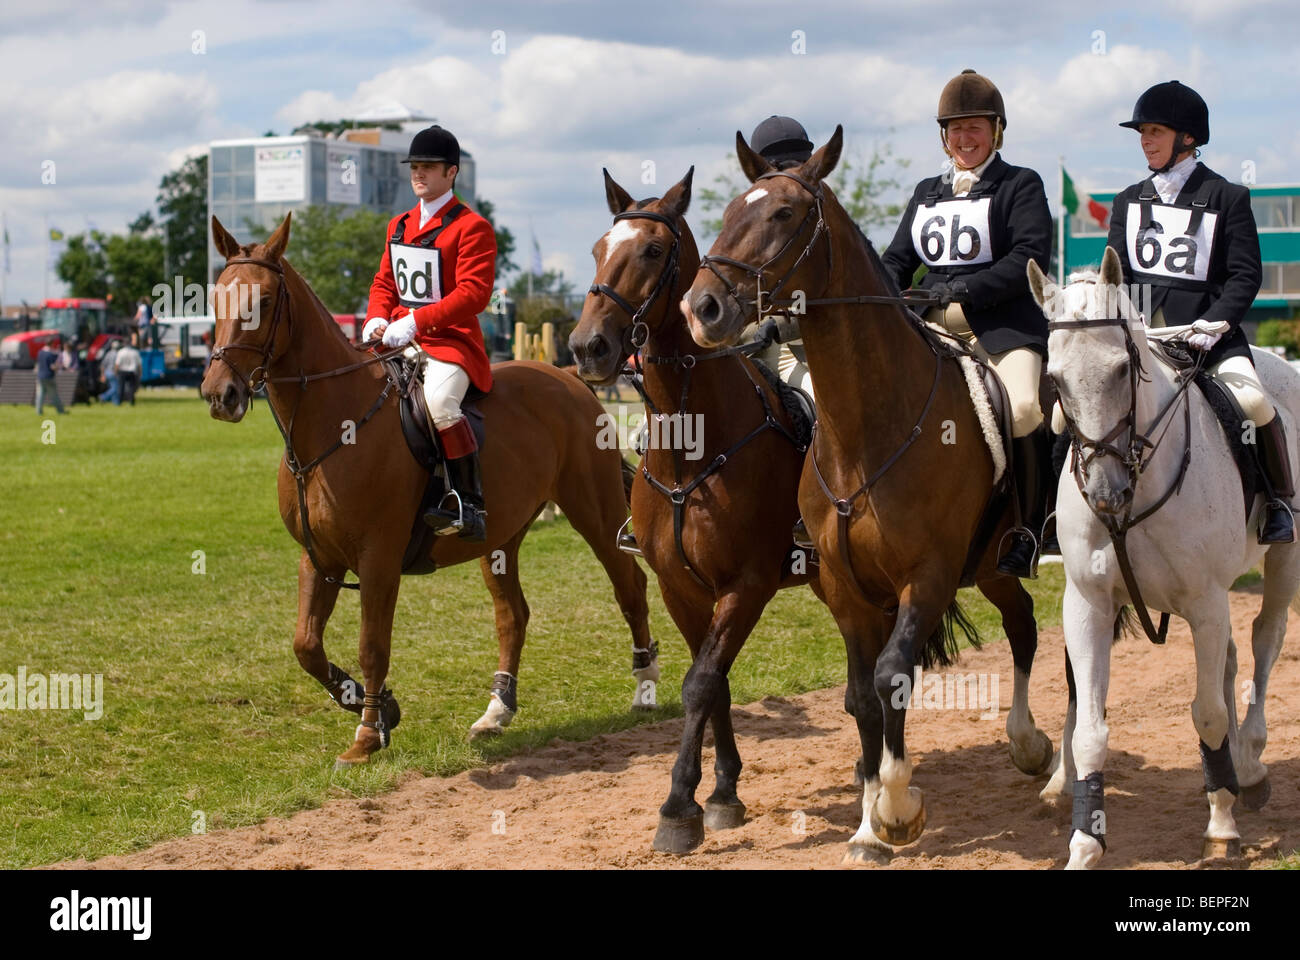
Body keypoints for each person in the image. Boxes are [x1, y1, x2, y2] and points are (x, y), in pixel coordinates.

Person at [880, 68, 1054, 578]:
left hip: (1000, 327)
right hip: (930, 328)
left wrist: (966, 288)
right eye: (955, 130)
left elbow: (1029, 255)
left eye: (974, 127)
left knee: (1022, 408)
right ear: (943, 136)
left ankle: (1029, 528)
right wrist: (887, 293)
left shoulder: (1020, 184)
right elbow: (896, 258)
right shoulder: (927, 191)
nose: (964, 138)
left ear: (996, 131)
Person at [1107, 81, 1291, 543]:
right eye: (1142, 133)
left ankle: (1277, 502)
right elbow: (1120, 276)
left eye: (1155, 131)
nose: (1145, 140)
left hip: (1207, 332)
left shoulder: (1228, 197)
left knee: (1253, 403)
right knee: (1070, 407)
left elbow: (1245, 275)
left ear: (1187, 138)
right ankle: (1054, 511)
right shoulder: (1129, 200)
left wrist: (1217, 322)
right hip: (1144, 336)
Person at [364, 124, 497, 542]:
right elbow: (385, 282)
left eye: (429, 167)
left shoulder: (471, 227)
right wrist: (376, 316)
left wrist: (417, 322)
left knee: (440, 403)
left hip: (449, 342)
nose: (419, 173)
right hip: (397, 339)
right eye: (415, 166)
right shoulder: (397, 225)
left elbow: (474, 293)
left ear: (451, 172)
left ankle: (467, 502)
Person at [35, 338, 66, 415]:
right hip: (49, 376)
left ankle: (39, 411)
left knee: (40, 395)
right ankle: (61, 411)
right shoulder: (51, 354)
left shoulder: (40, 352)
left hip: (40, 376)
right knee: (54, 395)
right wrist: (60, 366)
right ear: (52, 344)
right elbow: (52, 366)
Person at [114, 334, 142, 406]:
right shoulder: (135, 352)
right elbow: (139, 365)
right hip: (131, 371)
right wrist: (140, 373)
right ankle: (131, 401)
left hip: (122, 371)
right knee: (132, 387)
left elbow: (117, 364)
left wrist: (116, 372)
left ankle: (119, 401)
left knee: (121, 387)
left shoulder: (121, 352)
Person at [99, 340, 120, 404]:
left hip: (107, 372)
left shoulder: (108, 353)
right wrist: (116, 373)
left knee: (113, 387)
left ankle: (116, 403)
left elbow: (103, 365)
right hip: (113, 372)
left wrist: (102, 374)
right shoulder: (118, 354)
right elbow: (117, 365)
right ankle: (103, 396)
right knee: (115, 388)